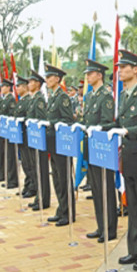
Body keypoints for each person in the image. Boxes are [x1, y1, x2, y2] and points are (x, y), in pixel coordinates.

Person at [92, 50, 137, 271]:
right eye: (119, 67)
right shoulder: (124, 95)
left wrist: (125, 131)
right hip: (128, 158)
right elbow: (118, 122)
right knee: (134, 206)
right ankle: (135, 249)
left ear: (135, 69)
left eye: (124, 67)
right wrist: (101, 128)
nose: (120, 71)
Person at [79, 59, 117, 242]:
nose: (87, 76)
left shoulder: (105, 96)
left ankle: (109, 229)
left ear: (99, 75)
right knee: (96, 189)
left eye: (90, 73)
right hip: (91, 147)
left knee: (106, 189)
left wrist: (98, 128)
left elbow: (108, 122)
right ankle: (101, 226)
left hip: (102, 148)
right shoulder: (91, 96)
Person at [44, 64, 75, 226]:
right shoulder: (53, 96)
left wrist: (51, 122)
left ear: (57, 79)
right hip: (52, 142)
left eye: (49, 77)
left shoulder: (62, 97)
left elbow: (68, 120)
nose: (47, 80)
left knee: (63, 178)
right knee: (56, 177)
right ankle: (61, 209)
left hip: (61, 142)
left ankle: (68, 212)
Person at [26, 70, 50, 211]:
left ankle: (43, 199)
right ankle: (38, 197)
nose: (29, 84)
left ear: (37, 84)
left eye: (30, 82)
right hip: (33, 138)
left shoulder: (39, 99)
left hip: (39, 139)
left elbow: (41, 119)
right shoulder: (33, 98)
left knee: (41, 169)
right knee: (36, 169)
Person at [12, 76, 36, 198]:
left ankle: (33, 186)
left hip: (27, 136)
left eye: (19, 86)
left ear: (25, 87)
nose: (16, 88)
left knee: (30, 163)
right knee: (25, 163)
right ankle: (28, 185)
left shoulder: (28, 100)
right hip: (20, 135)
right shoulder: (21, 101)